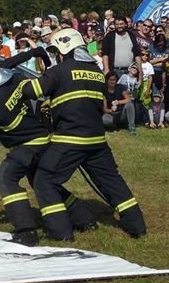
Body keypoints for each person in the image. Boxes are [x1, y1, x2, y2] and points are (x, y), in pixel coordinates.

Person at [0, 48, 96, 245]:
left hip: (28, 144)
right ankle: (84, 219)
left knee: (6, 179)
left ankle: (26, 232)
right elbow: (3, 85)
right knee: (42, 183)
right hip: (41, 137)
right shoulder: (11, 77)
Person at [29, 28, 147, 239]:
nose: (56, 55)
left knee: (44, 180)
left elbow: (32, 91)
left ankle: (60, 232)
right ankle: (137, 226)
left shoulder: (59, 71)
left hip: (69, 139)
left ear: (64, 48)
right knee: (112, 182)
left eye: (56, 51)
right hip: (97, 140)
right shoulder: (97, 73)